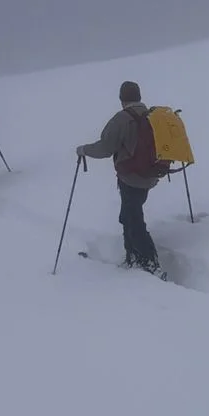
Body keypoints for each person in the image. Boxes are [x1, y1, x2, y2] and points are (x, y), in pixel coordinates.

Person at [77, 80, 168, 273]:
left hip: (131, 178)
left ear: (122, 99)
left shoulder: (121, 119)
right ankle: (133, 258)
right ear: (139, 96)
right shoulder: (153, 116)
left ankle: (150, 264)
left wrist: (84, 150)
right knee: (128, 215)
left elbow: (106, 148)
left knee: (133, 220)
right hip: (150, 176)